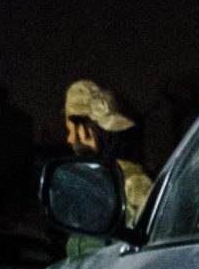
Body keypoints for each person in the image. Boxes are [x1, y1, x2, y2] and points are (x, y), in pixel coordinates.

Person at [61, 80, 154, 258]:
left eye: (71, 130)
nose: (69, 139)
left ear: (88, 131)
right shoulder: (99, 181)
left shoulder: (133, 183)